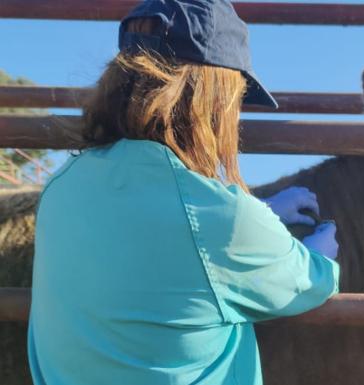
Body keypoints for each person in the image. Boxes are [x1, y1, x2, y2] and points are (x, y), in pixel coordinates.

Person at [27, 1, 340, 384]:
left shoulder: (62, 187)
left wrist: (261, 211)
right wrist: (321, 255)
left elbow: (152, 239)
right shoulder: (221, 220)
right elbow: (305, 281)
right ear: (213, 98)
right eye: (237, 98)